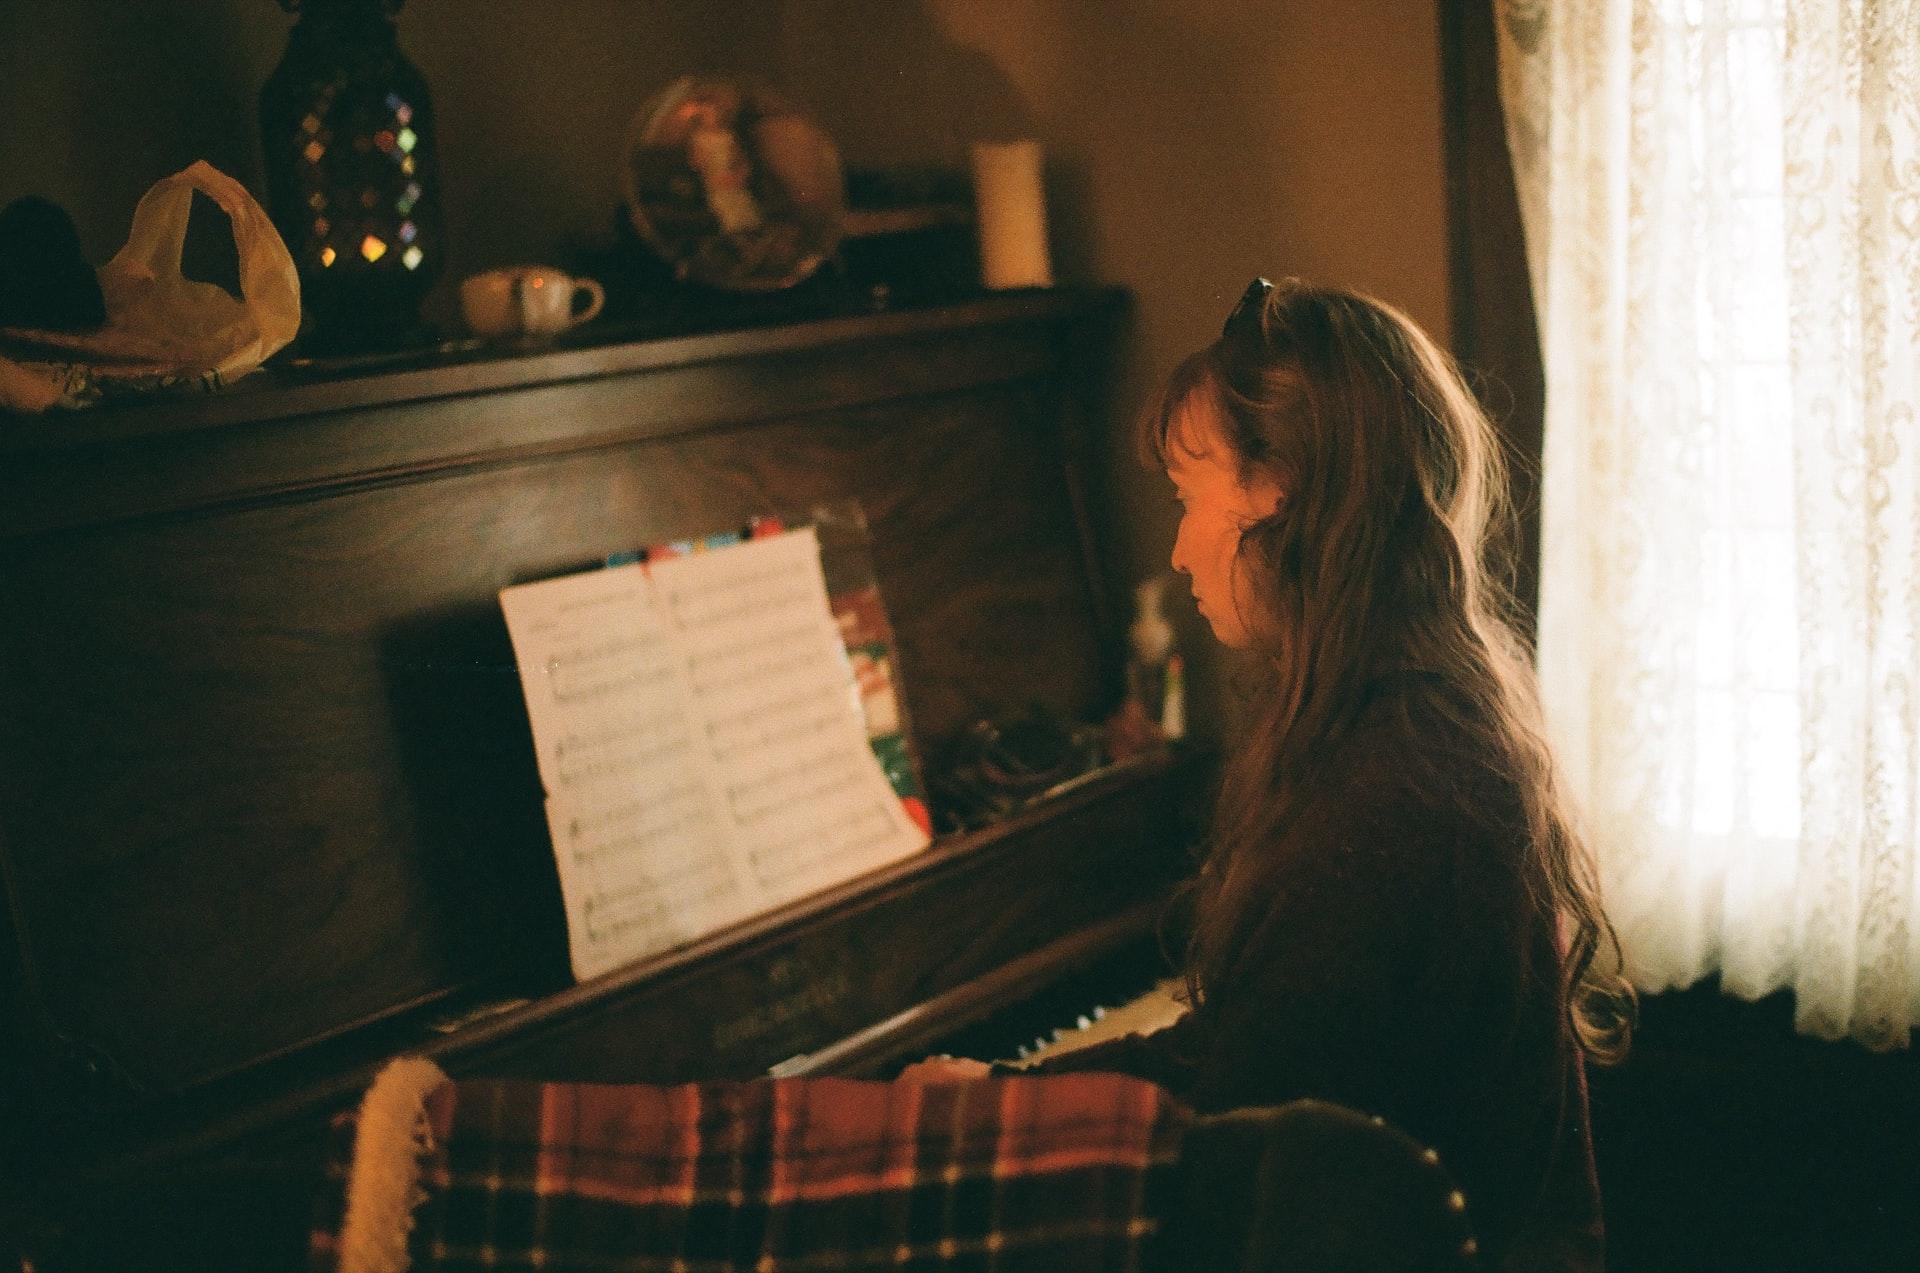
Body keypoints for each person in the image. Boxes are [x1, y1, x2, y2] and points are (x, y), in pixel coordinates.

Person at [901, 278, 1635, 1272]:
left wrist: (989, 1102)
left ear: (1289, 502)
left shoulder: (1392, 792)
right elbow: (1269, 1048)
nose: (1179, 545)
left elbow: (1225, 1091)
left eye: (1191, 498)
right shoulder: (1415, 716)